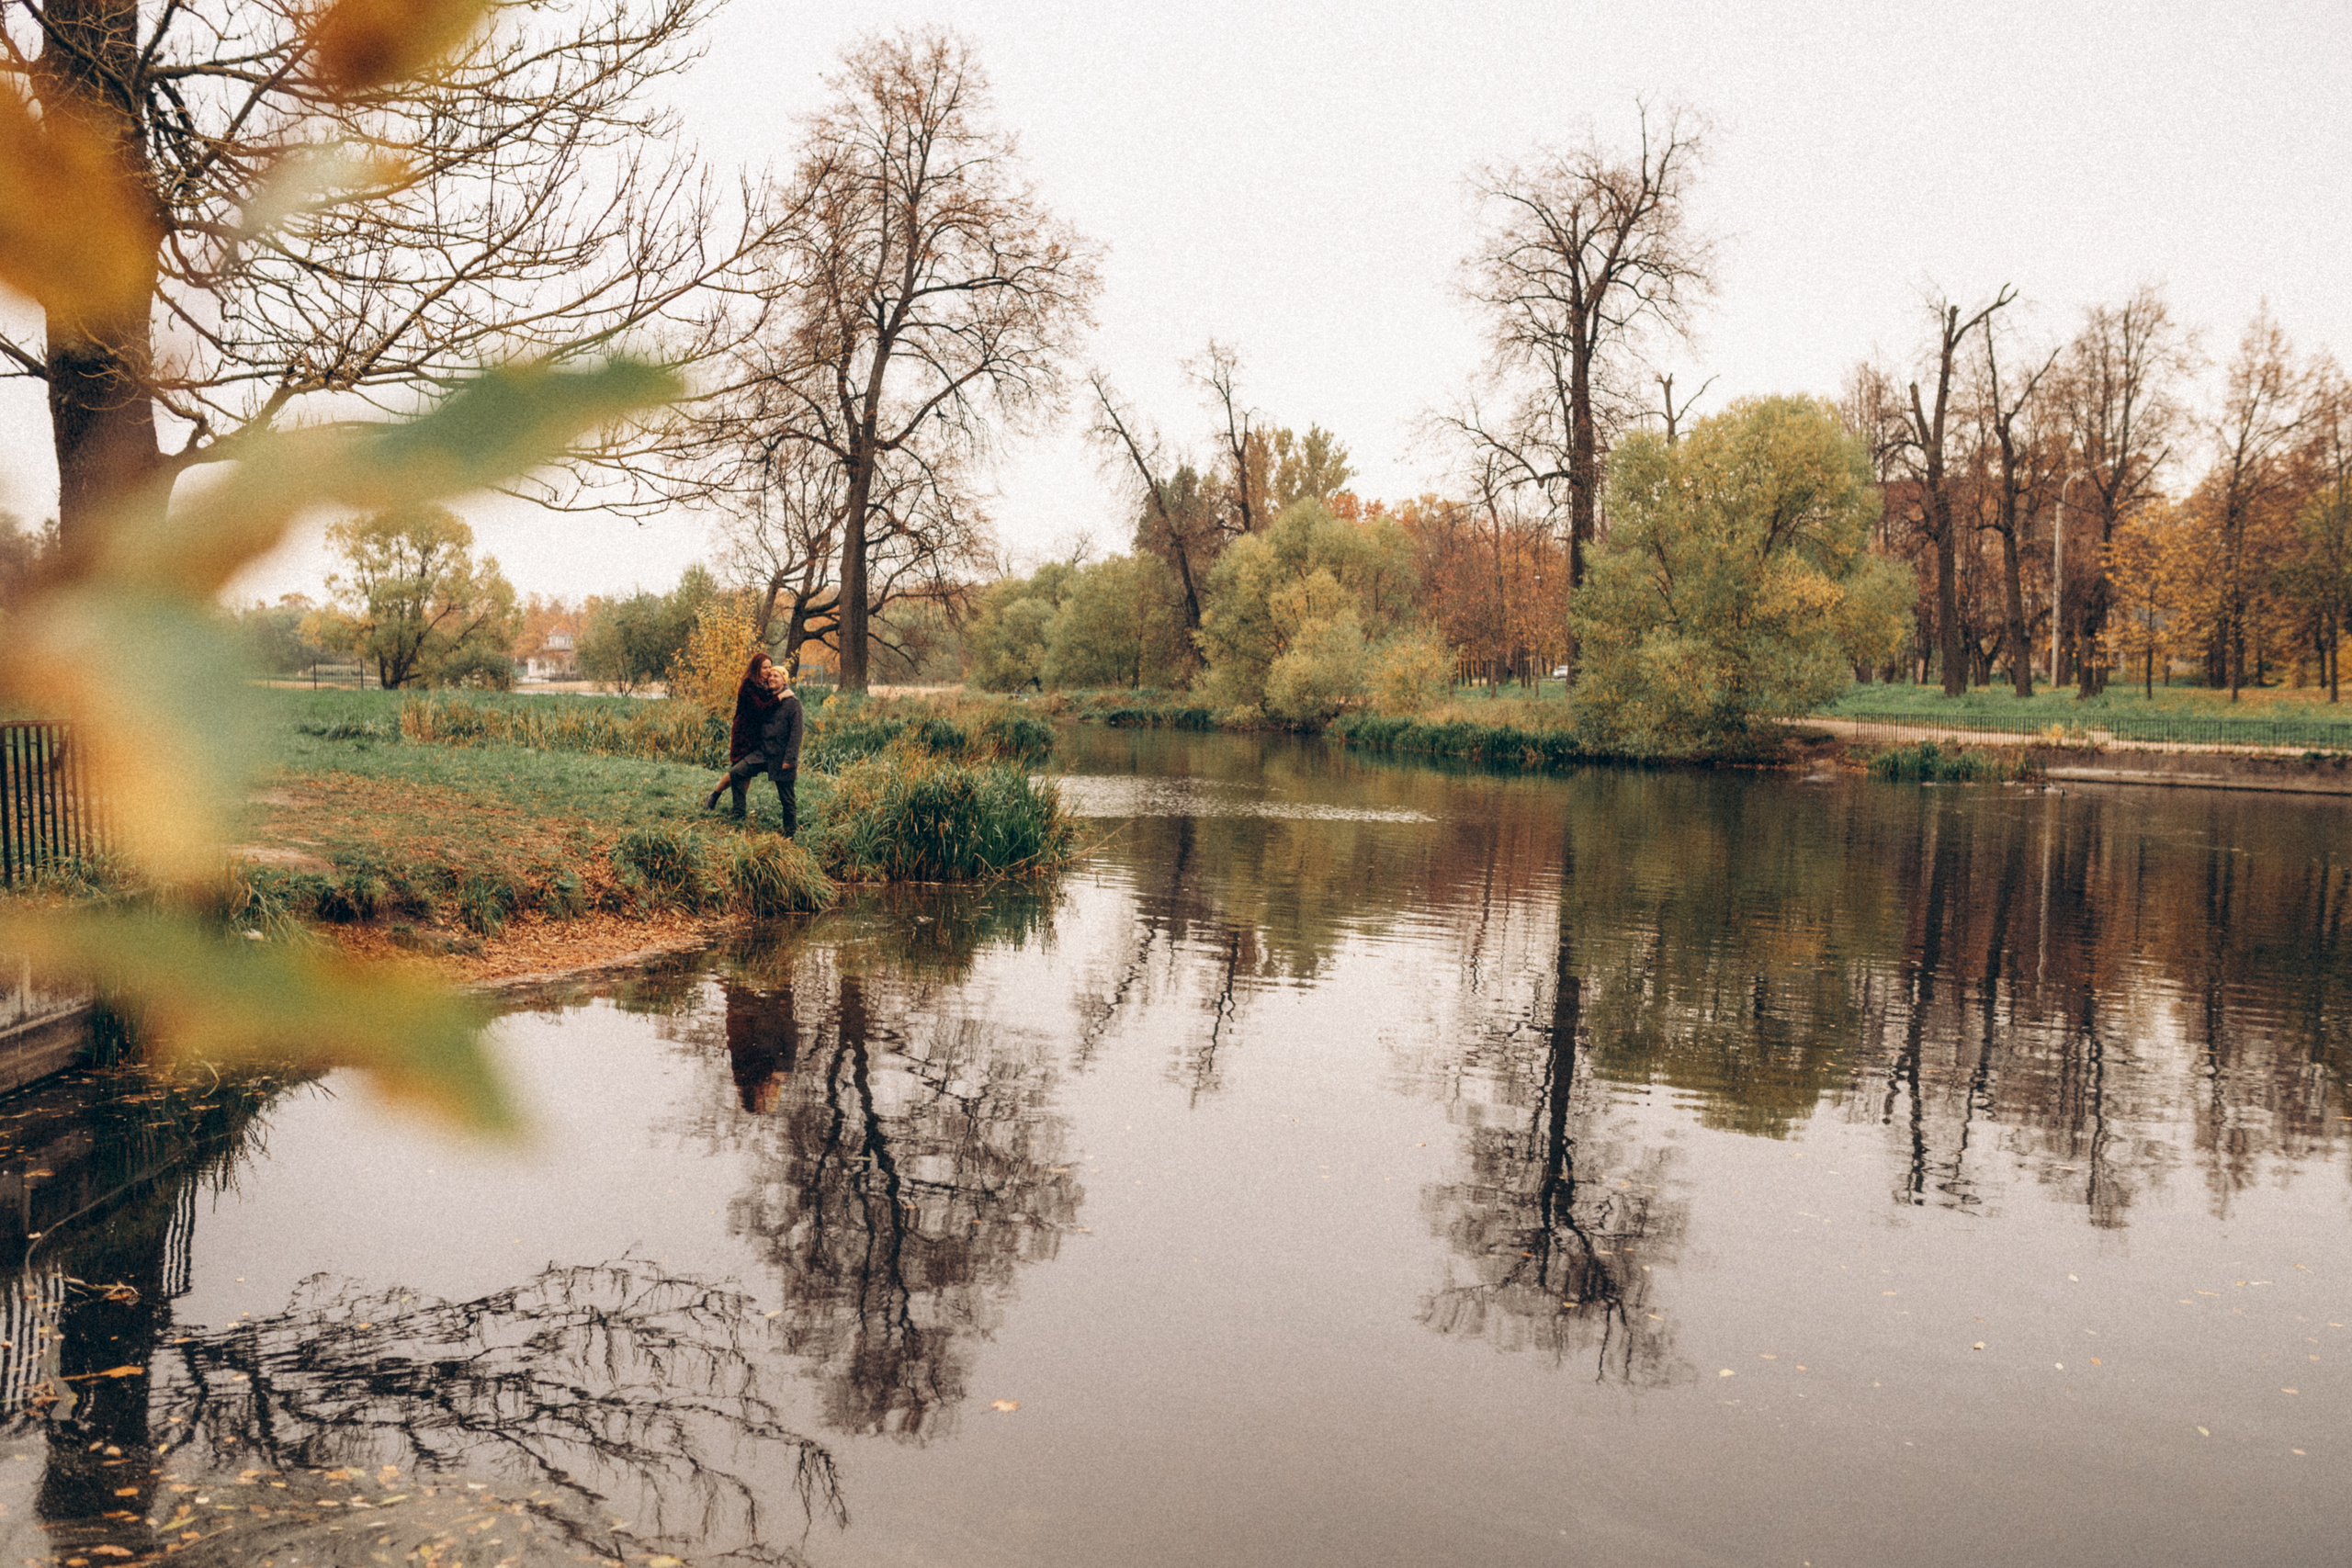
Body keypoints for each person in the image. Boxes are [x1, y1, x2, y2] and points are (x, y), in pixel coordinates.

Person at [704, 659, 804, 834]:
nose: (771, 677)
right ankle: (738, 813)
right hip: (762, 752)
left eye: (776, 675)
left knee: (787, 798)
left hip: (781, 756)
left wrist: (790, 759)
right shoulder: (766, 696)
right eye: (769, 674)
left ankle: (789, 834)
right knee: (737, 772)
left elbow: (796, 734)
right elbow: (759, 711)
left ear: (785, 680)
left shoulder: (793, 703)